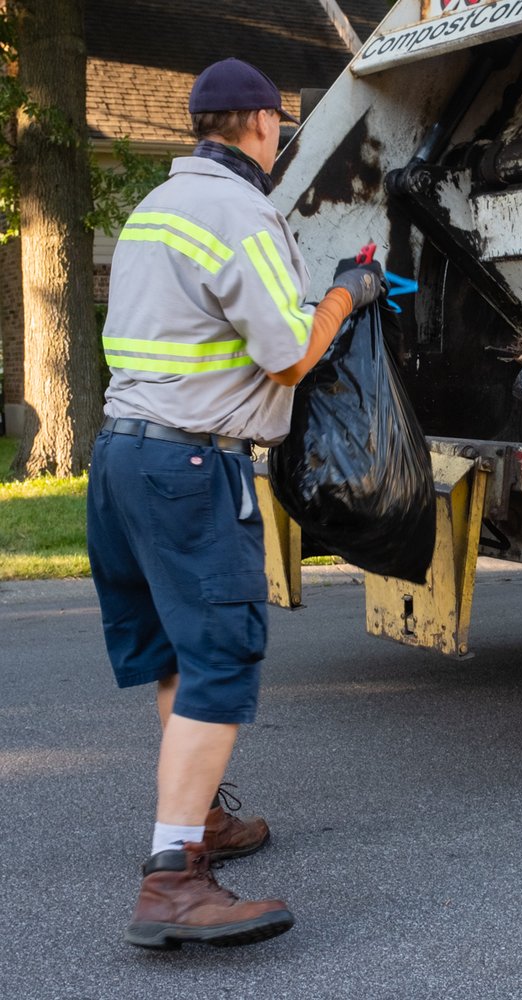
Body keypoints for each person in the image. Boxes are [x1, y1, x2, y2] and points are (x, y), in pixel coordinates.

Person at [86, 57, 383, 950]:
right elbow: (291, 352)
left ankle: (201, 816)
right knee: (219, 655)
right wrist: (347, 291)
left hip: (121, 462)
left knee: (179, 649)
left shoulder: (153, 209)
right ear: (260, 124)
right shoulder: (239, 211)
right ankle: (175, 878)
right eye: (281, 125)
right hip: (187, 467)